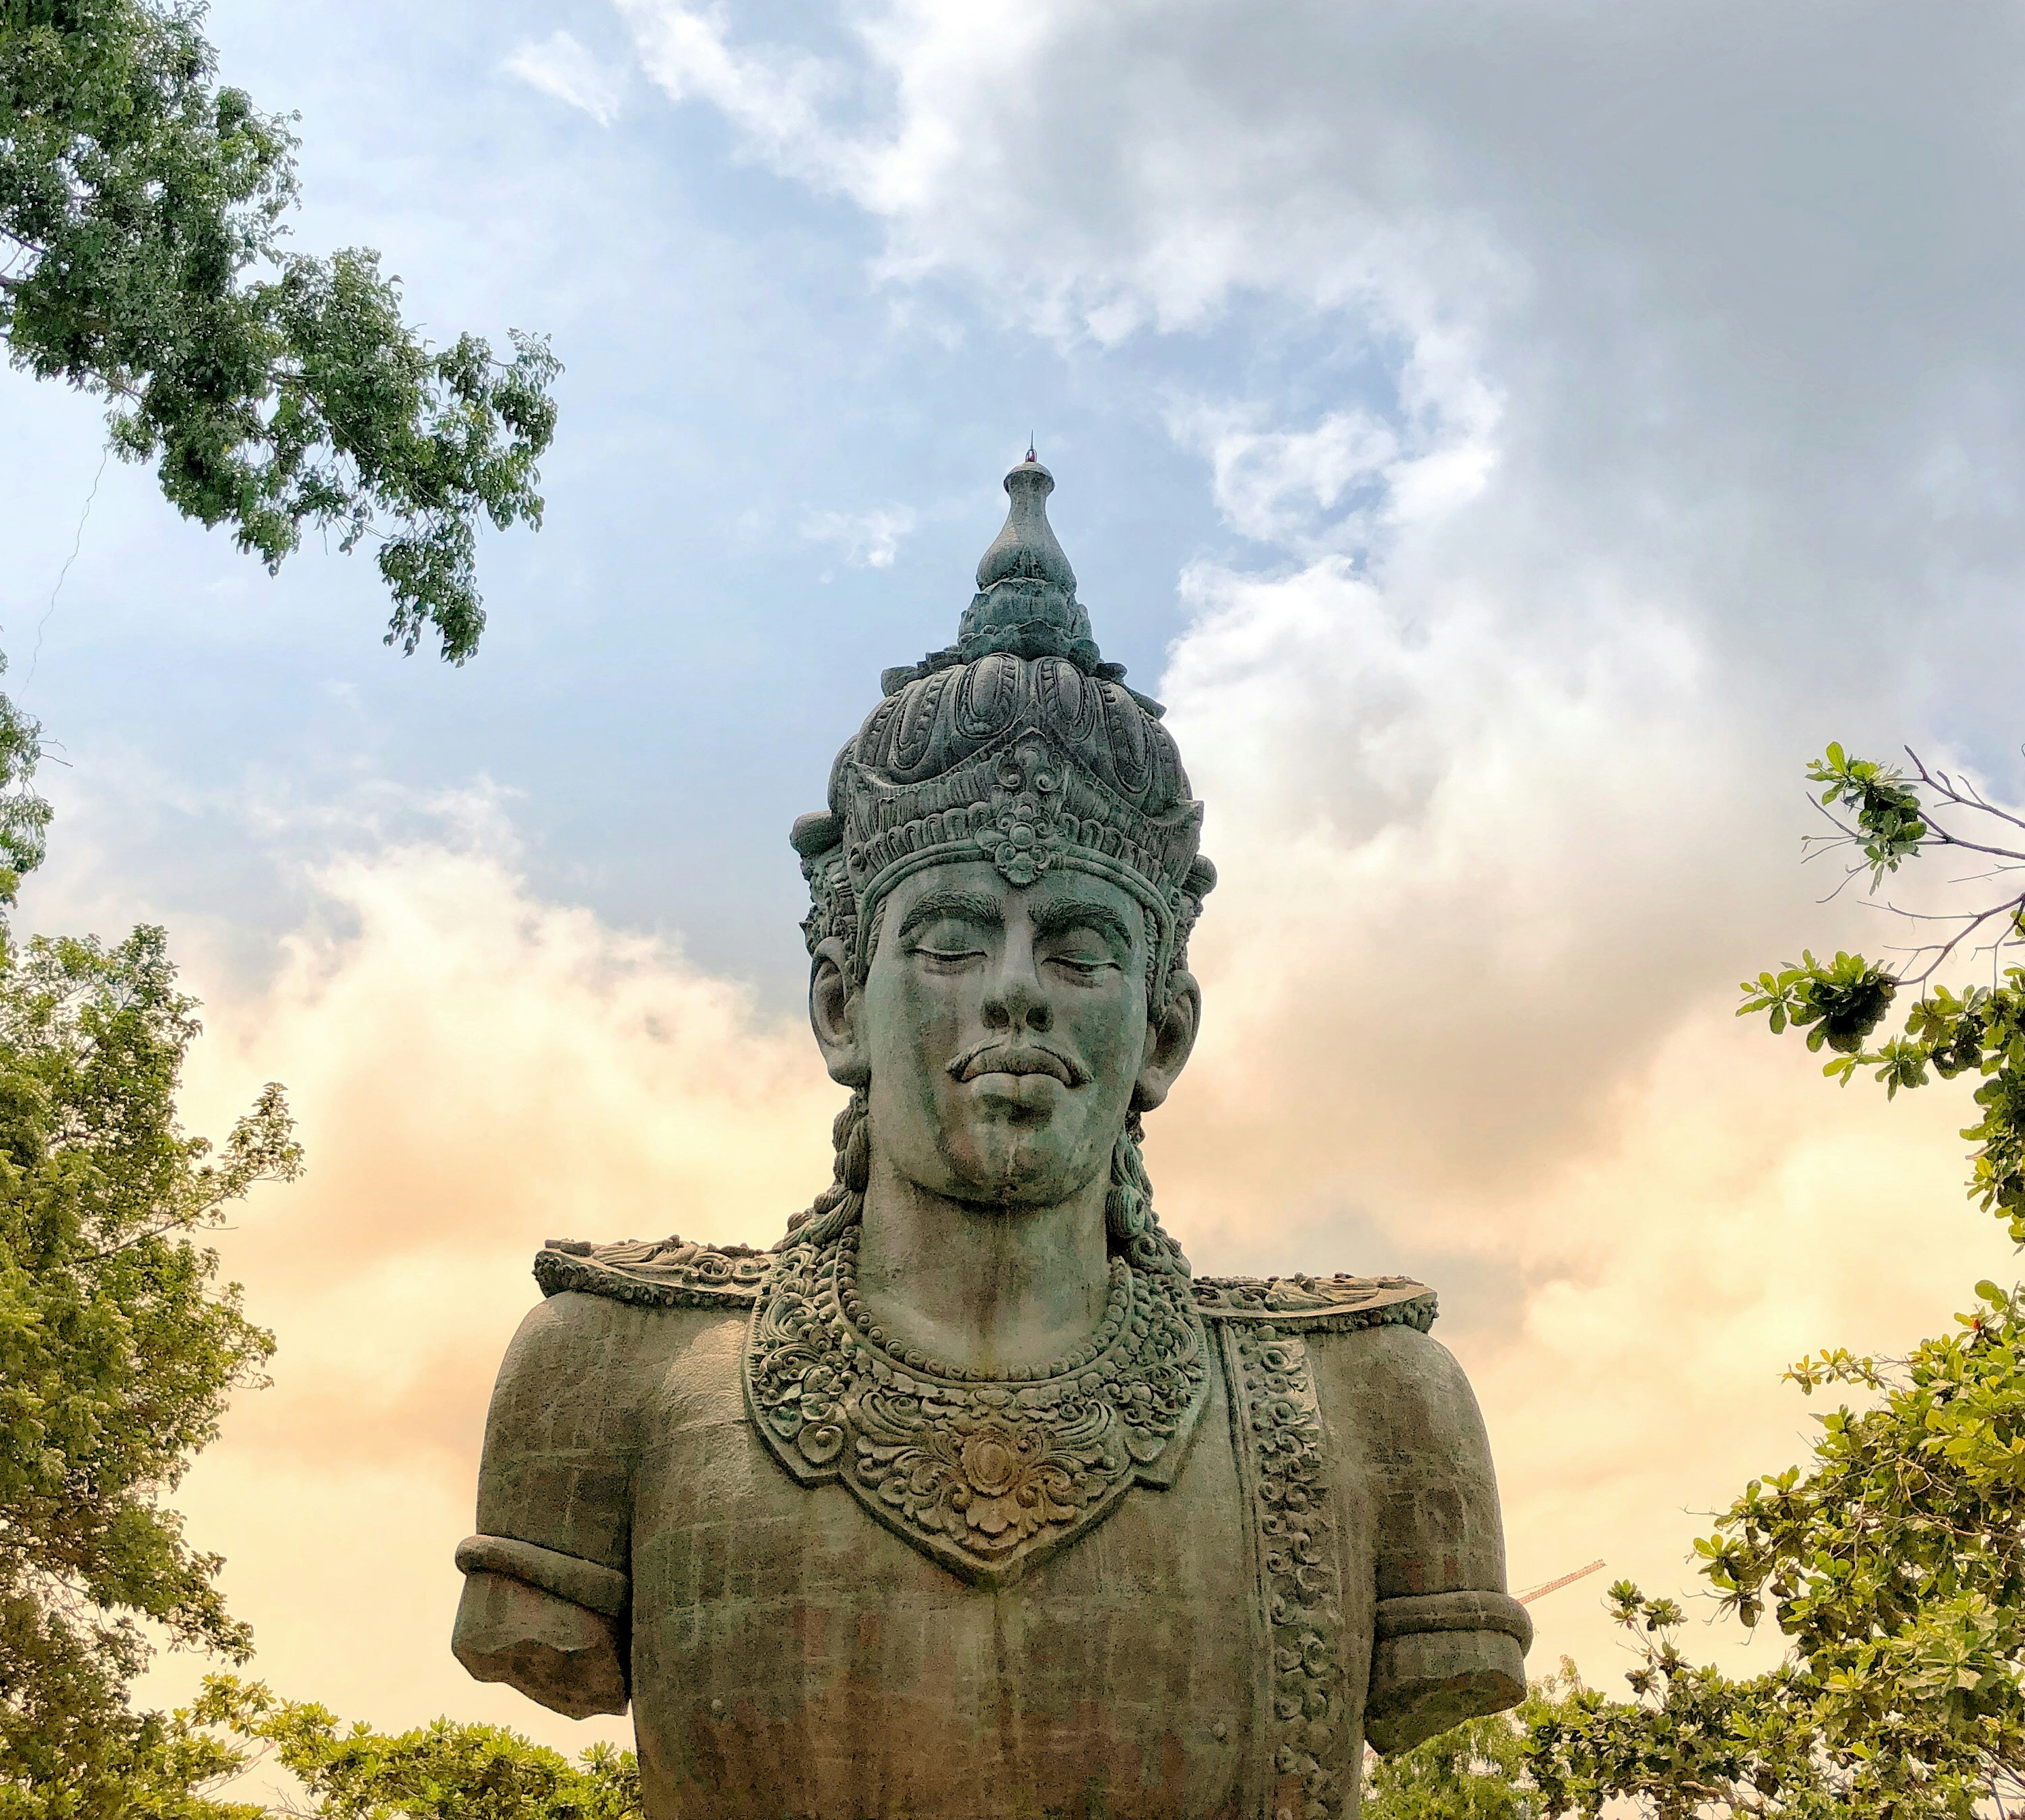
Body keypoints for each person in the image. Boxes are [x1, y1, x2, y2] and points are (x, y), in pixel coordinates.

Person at [454, 456, 1523, 1820]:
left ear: (1161, 1033)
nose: (1012, 987)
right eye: (954, 939)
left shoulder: (1370, 1404)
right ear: (841, 1004)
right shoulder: (609, 1373)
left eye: (1078, 950)